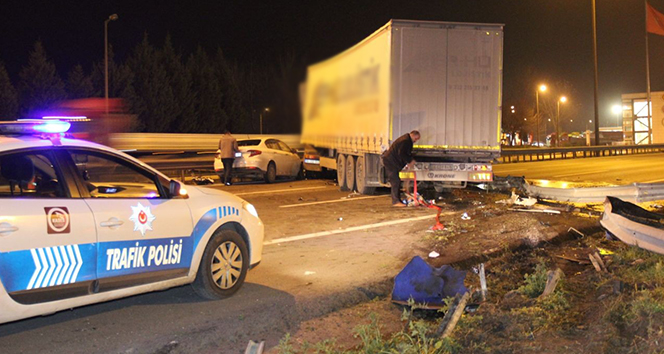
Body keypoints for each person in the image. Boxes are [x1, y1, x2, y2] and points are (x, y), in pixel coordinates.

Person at [382, 130, 420, 207]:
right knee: (395, 181)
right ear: (413, 135)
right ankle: (395, 201)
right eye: (416, 138)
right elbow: (402, 153)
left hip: (392, 162)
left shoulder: (406, 140)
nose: (416, 141)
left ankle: (397, 200)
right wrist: (409, 161)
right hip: (390, 162)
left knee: (396, 181)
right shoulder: (405, 141)